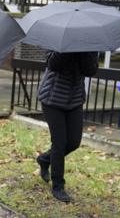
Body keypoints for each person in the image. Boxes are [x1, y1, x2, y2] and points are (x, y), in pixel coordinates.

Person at [36, 51, 99, 202]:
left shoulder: (90, 46)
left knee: (73, 142)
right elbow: (53, 64)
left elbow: (90, 70)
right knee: (59, 142)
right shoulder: (61, 40)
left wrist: (86, 52)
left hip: (74, 99)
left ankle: (44, 159)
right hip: (52, 97)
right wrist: (68, 50)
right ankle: (58, 186)